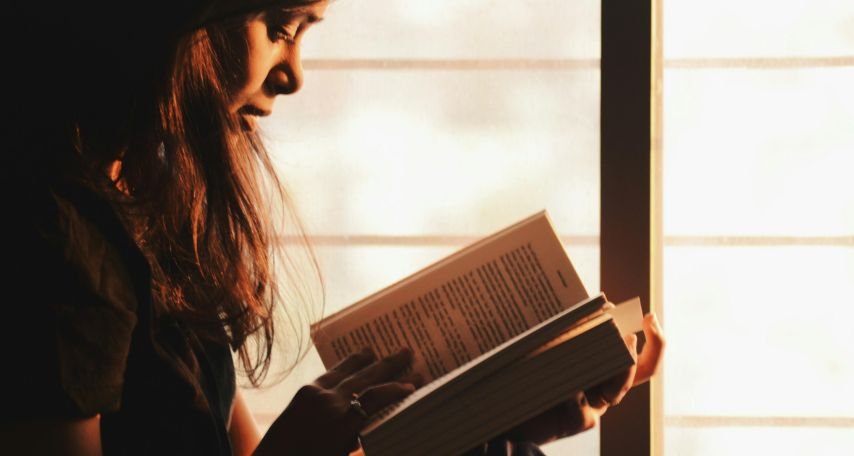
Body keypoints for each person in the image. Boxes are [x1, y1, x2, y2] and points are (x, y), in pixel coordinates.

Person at [0, 0, 664, 454]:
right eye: (282, 26)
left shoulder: (151, 205)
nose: (292, 76)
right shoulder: (54, 242)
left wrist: (491, 420)